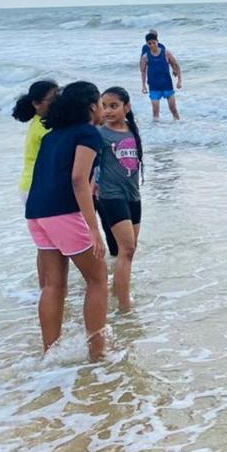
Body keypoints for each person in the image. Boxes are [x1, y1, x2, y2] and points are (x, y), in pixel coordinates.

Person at [25, 81, 109, 360]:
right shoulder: (88, 133)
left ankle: (50, 353)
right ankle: (98, 354)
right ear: (90, 106)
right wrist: (93, 228)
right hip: (65, 213)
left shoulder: (52, 135)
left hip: (37, 212)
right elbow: (77, 178)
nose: (102, 109)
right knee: (97, 280)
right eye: (99, 103)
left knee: (52, 285)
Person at [96, 86, 143, 312]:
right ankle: (125, 306)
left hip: (133, 196)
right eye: (104, 106)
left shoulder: (132, 131)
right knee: (127, 249)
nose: (107, 111)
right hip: (111, 195)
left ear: (127, 107)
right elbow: (90, 165)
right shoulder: (100, 134)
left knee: (130, 250)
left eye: (113, 106)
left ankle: (118, 290)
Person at [12, 80, 58, 197]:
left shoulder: (40, 121)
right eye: (54, 99)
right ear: (37, 103)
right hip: (37, 187)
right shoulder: (45, 126)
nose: (59, 102)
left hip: (31, 184)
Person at [140, 32, 182, 120]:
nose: (152, 45)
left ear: (157, 42)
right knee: (155, 112)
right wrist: (143, 85)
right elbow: (143, 71)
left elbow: (176, 65)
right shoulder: (145, 56)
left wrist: (179, 80)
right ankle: (157, 131)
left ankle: (179, 127)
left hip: (167, 85)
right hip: (154, 87)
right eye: (149, 43)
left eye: (153, 43)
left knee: (173, 109)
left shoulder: (166, 53)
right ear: (147, 44)